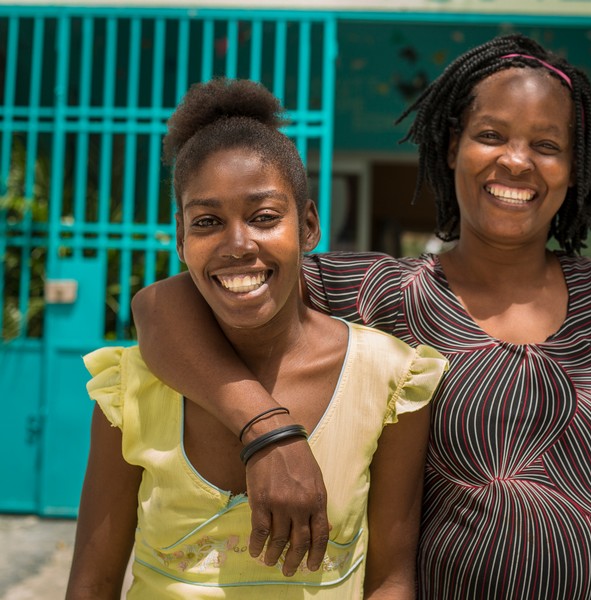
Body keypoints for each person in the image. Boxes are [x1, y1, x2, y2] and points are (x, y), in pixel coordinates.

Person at [131, 34, 591, 599]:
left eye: (546, 146)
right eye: (491, 135)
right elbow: (165, 304)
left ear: (573, 169)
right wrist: (265, 432)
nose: (516, 162)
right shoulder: (386, 296)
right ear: (453, 148)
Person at [65, 78, 448, 600]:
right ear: (181, 239)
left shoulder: (389, 380)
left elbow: (391, 579)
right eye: (207, 222)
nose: (238, 244)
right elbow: (92, 583)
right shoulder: (130, 389)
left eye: (265, 217)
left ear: (308, 225)